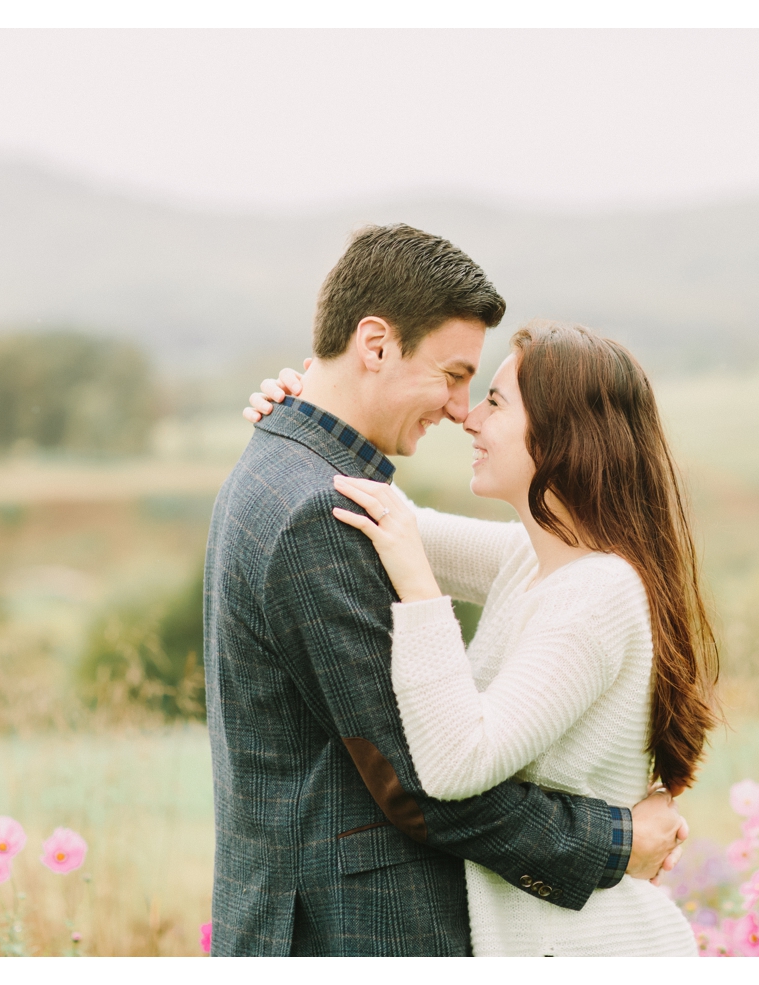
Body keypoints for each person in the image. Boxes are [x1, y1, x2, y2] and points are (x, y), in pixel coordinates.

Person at [207, 224, 688, 956]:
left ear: (562, 437)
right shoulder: (320, 507)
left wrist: (302, 416)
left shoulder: (581, 583)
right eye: (458, 377)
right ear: (374, 346)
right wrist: (616, 840)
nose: (465, 410)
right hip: (350, 931)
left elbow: (408, 530)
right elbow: (422, 782)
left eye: (489, 395)